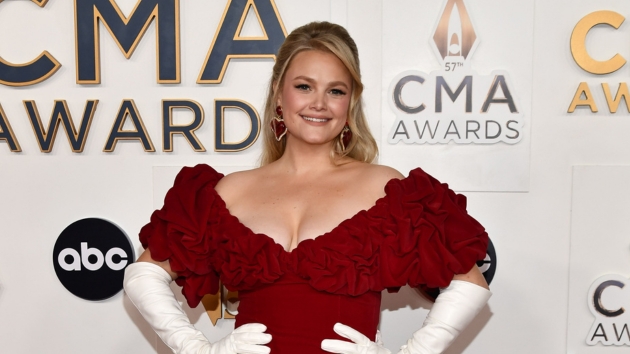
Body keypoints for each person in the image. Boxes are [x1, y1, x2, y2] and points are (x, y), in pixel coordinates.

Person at [123, 21, 491, 354]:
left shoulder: (387, 189)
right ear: (279, 94)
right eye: (304, 86)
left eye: (336, 91)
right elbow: (143, 276)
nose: (319, 103)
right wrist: (197, 349)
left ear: (351, 102)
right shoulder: (228, 192)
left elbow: (471, 284)